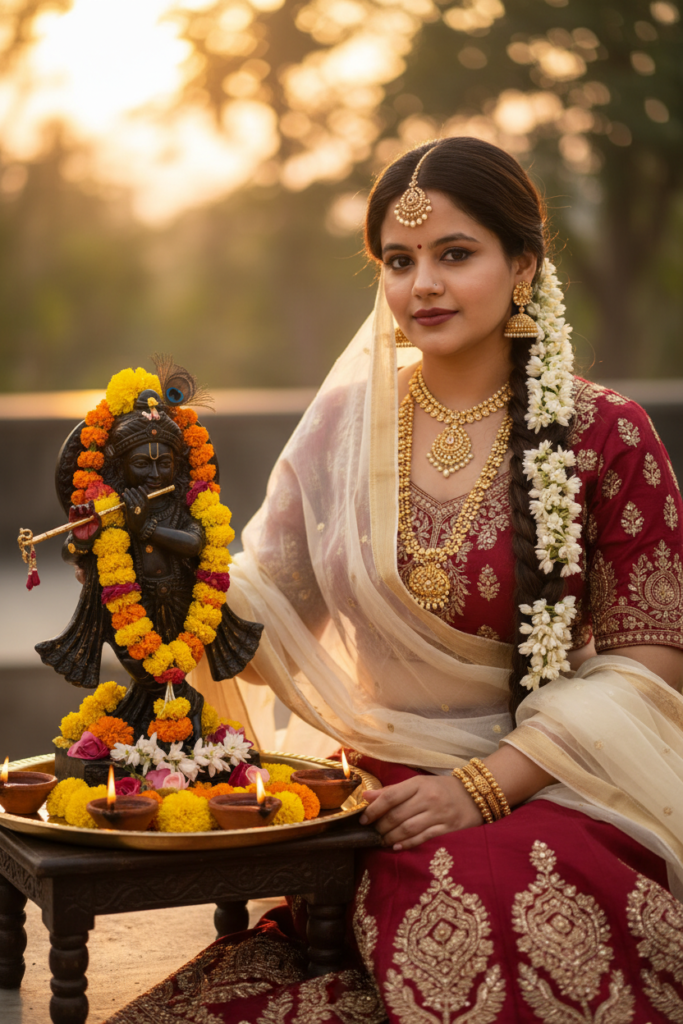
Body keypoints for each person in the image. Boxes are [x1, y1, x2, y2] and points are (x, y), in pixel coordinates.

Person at [108, 138, 683, 1023]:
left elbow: (650, 663)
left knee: (499, 888)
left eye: (456, 254)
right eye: (399, 261)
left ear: (522, 263)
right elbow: (267, 609)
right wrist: (157, 564)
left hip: (553, 781)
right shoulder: (343, 427)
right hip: (378, 793)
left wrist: (484, 786)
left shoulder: (605, 433)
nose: (423, 286)